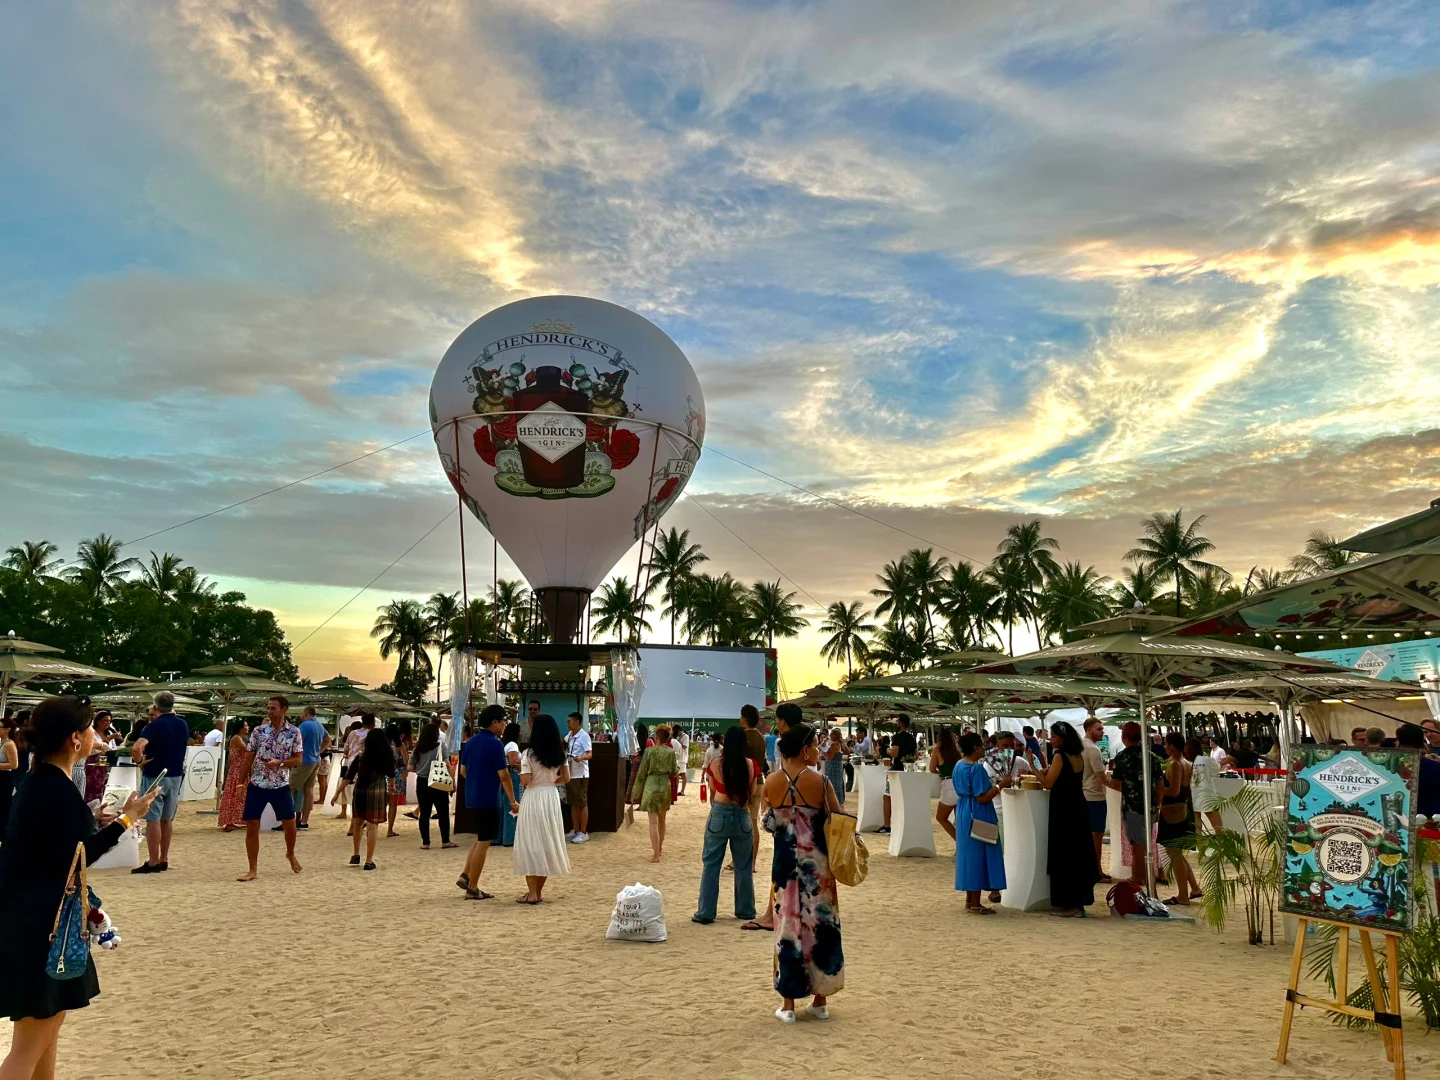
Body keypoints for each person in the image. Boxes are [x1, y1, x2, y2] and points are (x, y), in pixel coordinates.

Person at [0, 697, 158, 1079]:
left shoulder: (44, 782)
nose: (94, 735)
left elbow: (57, 844)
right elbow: (81, 855)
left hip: (32, 919)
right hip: (43, 925)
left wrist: (96, 819)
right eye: (89, 728)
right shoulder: (53, 786)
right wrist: (127, 818)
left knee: (45, 1032)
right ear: (75, 738)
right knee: (29, 1046)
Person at [762, 722, 844, 1023]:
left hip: (785, 865)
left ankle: (788, 1004)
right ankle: (820, 1000)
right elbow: (837, 817)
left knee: (788, 927)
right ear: (805, 748)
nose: (817, 750)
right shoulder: (820, 782)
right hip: (818, 865)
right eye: (814, 745)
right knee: (821, 924)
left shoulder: (771, 782)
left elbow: (767, 823)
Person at [694, 725, 760, 924]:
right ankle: (745, 910)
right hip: (742, 815)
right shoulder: (751, 765)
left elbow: (713, 788)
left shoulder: (716, 764)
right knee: (744, 866)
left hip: (720, 812)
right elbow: (752, 791)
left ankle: (706, 912)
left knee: (711, 864)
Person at [238, 695, 304, 882]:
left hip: (280, 784)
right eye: (268, 708)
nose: (269, 711)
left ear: (284, 710)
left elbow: (298, 759)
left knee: (290, 826)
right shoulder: (259, 731)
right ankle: (252, 869)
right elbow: (248, 758)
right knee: (252, 825)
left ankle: (290, 853)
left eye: (273, 708)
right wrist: (241, 783)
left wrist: (280, 763)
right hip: (257, 783)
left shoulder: (294, 733)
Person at [456, 705, 519, 900]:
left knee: (481, 837)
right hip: (488, 798)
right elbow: (504, 775)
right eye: (503, 721)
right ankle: (473, 887)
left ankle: (466, 875)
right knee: (484, 842)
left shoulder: (471, 742)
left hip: (472, 796)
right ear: (494, 722)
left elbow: (463, 771)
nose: (504, 724)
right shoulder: (495, 744)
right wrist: (513, 801)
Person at [1036, 721, 1099, 917]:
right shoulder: (1077, 755)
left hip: (1063, 808)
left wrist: (1033, 766)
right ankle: (1078, 902)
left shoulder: (1060, 756)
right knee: (1077, 853)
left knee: (1064, 855)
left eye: (1053, 736)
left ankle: (1070, 904)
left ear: (1061, 738)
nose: (1051, 739)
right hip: (1078, 805)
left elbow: (1048, 783)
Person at [129, 690, 189, 875]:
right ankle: (164, 858)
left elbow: (136, 747)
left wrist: (140, 762)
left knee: (153, 818)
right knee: (167, 819)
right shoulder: (183, 724)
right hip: (176, 774)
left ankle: (153, 861)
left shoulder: (154, 726)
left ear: (155, 706)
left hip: (155, 774)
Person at [514, 714, 572, 903]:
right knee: (548, 841)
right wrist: (552, 779)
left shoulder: (528, 754)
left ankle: (531, 892)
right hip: (551, 797)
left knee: (530, 842)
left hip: (533, 797)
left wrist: (520, 770)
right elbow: (567, 778)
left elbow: (525, 780)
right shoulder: (560, 753)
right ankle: (537, 892)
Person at [951, 731, 1007, 914]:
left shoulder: (959, 765)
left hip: (963, 810)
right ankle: (975, 903)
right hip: (978, 811)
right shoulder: (976, 768)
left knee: (968, 854)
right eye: (982, 746)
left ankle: (970, 899)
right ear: (975, 748)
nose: (985, 748)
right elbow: (982, 797)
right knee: (978, 855)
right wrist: (1001, 785)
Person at [1104, 721, 1151, 891]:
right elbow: (1159, 784)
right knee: (1144, 845)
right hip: (1150, 805)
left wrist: (1103, 780)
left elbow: (1117, 784)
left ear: (1124, 738)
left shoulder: (1122, 757)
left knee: (1136, 845)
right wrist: (1158, 805)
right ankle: (1143, 877)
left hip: (1132, 806)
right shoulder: (1149, 755)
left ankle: (1138, 878)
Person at [1157, 732, 1202, 905]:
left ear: (1172, 746)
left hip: (1173, 811)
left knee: (1174, 853)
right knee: (1177, 853)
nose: (1165, 746)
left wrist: (1158, 788)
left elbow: (1174, 791)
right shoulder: (1188, 763)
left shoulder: (1176, 764)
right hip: (1183, 808)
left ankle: (1183, 894)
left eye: (1166, 744)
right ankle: (1194, 887)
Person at [631, 723, 681, 862]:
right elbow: (674, 771)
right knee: (662, 820)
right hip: (664, 785)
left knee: (652, 822)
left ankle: (656, 854)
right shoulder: (670, 752)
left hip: (651, 785)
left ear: (656, 736)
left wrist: (635, 793)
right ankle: (660, 848)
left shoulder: (649, 751)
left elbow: (641, 774)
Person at [348, 728, 393, 871]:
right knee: (373, 825)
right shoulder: (387, 756)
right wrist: (392, 786)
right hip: (377, 792)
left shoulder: (361, 757)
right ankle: (369, 861)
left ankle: (355, 854)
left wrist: (337, 793)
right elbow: (391, 774)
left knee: (357, 822)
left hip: (360, 790)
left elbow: (349, 776)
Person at [410, 722, 456, 851]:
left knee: (424, 813)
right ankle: (445, 841)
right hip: (438, 782)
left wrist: (422, 770)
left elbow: (410, 767)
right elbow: (448, 765)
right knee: (443, 812)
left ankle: (426, 842)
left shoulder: (417, 748)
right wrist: (452, 782)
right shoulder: (441, 747)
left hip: (422, 782)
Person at [1080, 718, 1111, 883]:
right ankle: (1096, 870)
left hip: (1084, 795)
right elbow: (1102, 778)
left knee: (1090, 836)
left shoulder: (1080, 746)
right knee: (1096, 836)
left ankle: (1092, 869)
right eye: (1099, 729)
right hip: (1095, 796)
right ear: (1089, 730)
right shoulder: (1093, 749)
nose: (1102, 731)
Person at [289, 706, 328, 829]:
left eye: (302, 713)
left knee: (290, 789)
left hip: (303, 761)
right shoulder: (319, 725)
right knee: (309, 790)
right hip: (316, 760)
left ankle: (287, 820)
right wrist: (319, 750)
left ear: (305, 713)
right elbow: (327, 739)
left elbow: (296, 744)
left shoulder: (303, 726)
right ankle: (304, 822)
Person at [878, 715, 917, 834]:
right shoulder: (911, 738)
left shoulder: (897, 737)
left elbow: (894, 753)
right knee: (904, 797)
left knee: (887, 796)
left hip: (896, 770)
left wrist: (887, 750)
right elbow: (916, 755)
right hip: (908, 770)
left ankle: (887, 825)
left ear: (900, 723)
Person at [1396, 724, 1439, 816]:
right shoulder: (1435, 767)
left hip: (1400, 816)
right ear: (1422, 742)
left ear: (1398, 742)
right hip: (1430, 820)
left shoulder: (1389, 766)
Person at [216, 719, 251, 832]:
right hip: (237, 771)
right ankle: (231, 821)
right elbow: (248, 750)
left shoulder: (238, 738)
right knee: (235, 795)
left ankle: (233, 820)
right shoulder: (237, 738)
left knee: (236, 795)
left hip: (238, 770)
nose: (248, 727)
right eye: (246, 725)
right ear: (241, 728)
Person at [564, 712, 592, 843]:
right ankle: (575, 830)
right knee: (573, 803)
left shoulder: (584, 736)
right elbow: (562, 742)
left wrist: (580, 757)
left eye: (569, 721)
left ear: (577, 722)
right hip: (570, 773)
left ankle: (583, 832)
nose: (567, 723)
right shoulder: (569, 735)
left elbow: (589, 754)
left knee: (582, 803)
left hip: (581, 774)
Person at [1187, 735, 1224, 832]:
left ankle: (1200, 846)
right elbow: (1217, 769)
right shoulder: (1206, 759)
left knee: (1197, 827)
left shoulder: (1187, 761)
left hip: (1193, 795)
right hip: (1208, 795)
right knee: (1218, 827)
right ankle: (1222, 845)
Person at [500, 721, 523, 848]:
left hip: (504, 775)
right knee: (512, 805)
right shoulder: (513, 745)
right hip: (513, 775)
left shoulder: (504, 744)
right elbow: (513, 762)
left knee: (504, 805)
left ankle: (500, 836)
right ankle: (510, 837)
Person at [0, 715, 17, 840]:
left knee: (3, 807)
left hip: (4, 779)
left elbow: (14, 764)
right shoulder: (2, 743)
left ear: (7, 729)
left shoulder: (10, 744)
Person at [821, 727, 847, 808]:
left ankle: (833, 803)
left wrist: (823, 752)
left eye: (832, 733)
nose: (830, 735)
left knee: (832, 785)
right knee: (838, 784)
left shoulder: (834, 744)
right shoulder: (841, 744)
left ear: (836, 735)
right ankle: (839, 802)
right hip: (838, 767)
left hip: (832, 767)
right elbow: (847, 751)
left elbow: (830, 757)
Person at [674, 725, 691, 796]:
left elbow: (685, 746)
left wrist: (677, 742)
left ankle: (682, 790)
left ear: (679, 731)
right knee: (677, 774)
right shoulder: (677, 737)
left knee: (683, 774)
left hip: (683, 758)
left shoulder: (686, 736)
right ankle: (676, 790)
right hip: (677, 757)